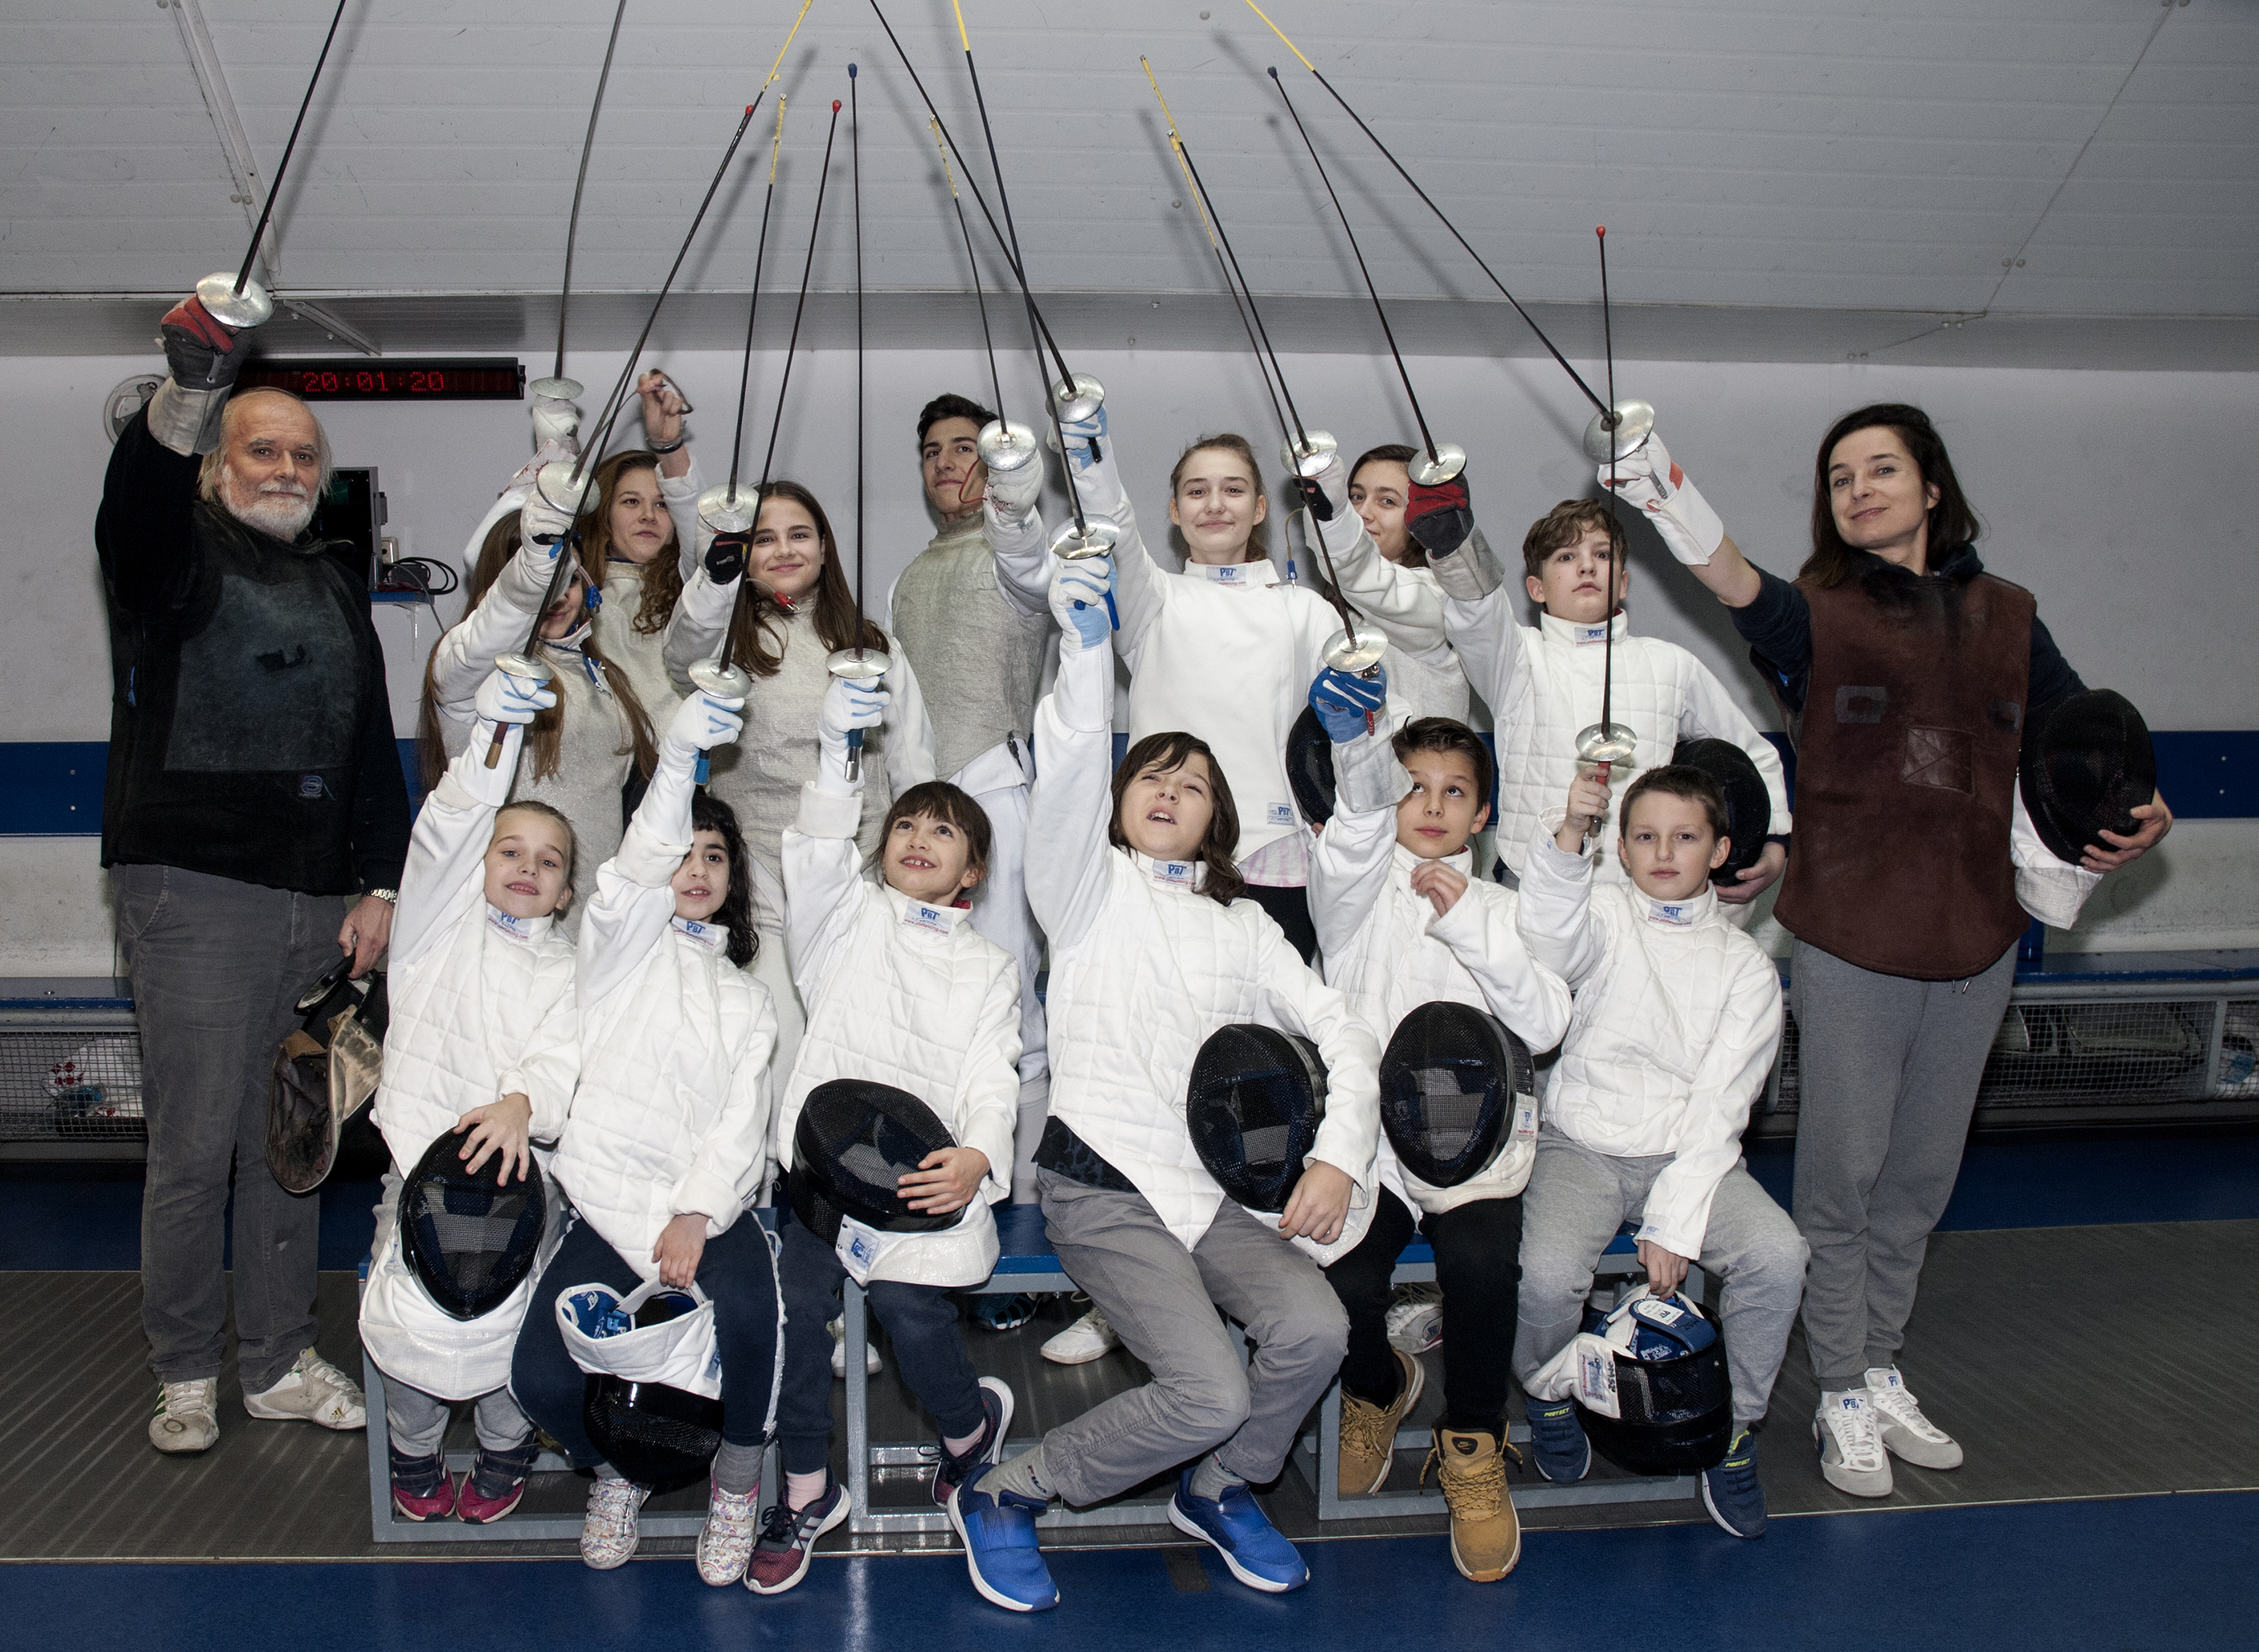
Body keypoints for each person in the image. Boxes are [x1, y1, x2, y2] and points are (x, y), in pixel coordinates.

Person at [1608, 406, 2173, 1494]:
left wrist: (2138, 807)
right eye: (1839, 478)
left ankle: (1877, 1365)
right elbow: (1729, 578)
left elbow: (2079, 739)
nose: (1858, 489)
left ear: (1931, 487)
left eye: (1880, 469)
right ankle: (1839, 1393)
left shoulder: (2011, 617)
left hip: (1977, 941)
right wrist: (1655, 477)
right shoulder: (1816, 616)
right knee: (1842, 1182)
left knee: (1916, 1184)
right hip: (1853, 941)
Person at [947, 555, 1379, 1612]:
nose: (1169, 791)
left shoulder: (1246, 925)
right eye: (1151, 775)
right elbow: (1064, 764)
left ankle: (1221, 1485)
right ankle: (1009, 1490)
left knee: (1315, 1330)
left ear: (1214, 819)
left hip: (1213, 1195)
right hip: (1101, 1185)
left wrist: (1336, 1156)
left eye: (1191, 785)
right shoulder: (1083, 887)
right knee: (1207, 1389)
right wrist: (1087, 648)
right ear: (1119, 799)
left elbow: (1343, 1031)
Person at [96, 288, 406, 1454]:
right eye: (262, 449)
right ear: (216, 464)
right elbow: (131, 512)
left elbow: (368, 747)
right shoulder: (170, 562)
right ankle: (184, 1371)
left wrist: (378, 885)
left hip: (317, 906)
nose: (285, 468)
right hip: (193, 895)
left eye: (303, 456)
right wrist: (192, 387)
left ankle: (276, 1362)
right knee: (191, 1152)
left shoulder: (333, 582)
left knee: (292, 1144)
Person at [508, 685, 786, 1579]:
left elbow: (743, 1122)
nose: (697, 870)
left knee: (752, 1318)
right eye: (683, 853)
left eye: (716, 856)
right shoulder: (617, 950)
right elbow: (631, 880)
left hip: (704, 1214)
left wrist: (697, 1212)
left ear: (733, 879)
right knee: (537, 1376)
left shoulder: (748, 1002)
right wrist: (674, 766)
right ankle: (617, 1472)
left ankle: (735, 1485)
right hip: (606, 1208)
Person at [754, 676, 1024, 1595]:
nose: (919, 838)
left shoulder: (990, 968)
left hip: (921, 1184)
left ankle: (968, 1433)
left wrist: (978, 1156)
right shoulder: (845, 923)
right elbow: (816, 852)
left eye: (944, 831)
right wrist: (838, 748)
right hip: (821, 1179)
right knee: (794, 1313)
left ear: (973, 870)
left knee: (911, 1312)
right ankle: (805, 1487)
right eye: (907, 824)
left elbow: (993, 1072)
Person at [1304, 699, 1571, 1581]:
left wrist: (1467, 926)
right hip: (1371, 1149)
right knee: (1342, 1277)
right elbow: (1347, 850)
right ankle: (1377, 1387)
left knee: (1482, 1270)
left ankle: (1474, 1444)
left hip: (1477, 1153)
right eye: (1412, 787)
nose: (1430, 805)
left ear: (1482, 813)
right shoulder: (1351, 897)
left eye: (1454, 791)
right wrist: (1357, 750)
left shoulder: (1505, 909)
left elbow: (1544, 1024)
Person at [1512, 764, 1805, 1540]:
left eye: (1684, 837)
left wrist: (1673, 1224)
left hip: (1692, 1157)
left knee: (1778, 1256)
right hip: (1582, 1144)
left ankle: (1731, 1429)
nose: (1664, 853)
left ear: (1720, 850)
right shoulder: (1601, 917)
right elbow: (1547, 940)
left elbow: (1721, 1108)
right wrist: (1568, 838)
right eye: (1645, 836)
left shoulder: (1744, 968)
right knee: (1546, 1274)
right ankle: (1547, 1393)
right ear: (1622, 847)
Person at [358, 669, 579, 1525]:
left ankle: (503, 1446)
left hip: (527, 1180)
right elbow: (446, 826)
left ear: (567, 891)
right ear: (478, 865)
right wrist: (495, 733)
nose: (528, 868)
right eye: (510, 851)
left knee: (514, 1317)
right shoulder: (431, 931)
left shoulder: (571, 970)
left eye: (549, 861)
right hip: (419, 1166)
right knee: (412, 1316)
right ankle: (414, 1449)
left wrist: (526, 1103)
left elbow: (562, 1059)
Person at [1357, 477, 1790, 899]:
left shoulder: (1672, 664)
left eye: (1602, 554)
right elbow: (1478, 616)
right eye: (1566, 557)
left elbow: (1750, 753)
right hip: (1530, 884)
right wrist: (1455, 545)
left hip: (1640, 894)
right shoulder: (1518, 656)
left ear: (1623, 582)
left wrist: (1773, 841)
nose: (1586, 566)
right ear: (1536, 588)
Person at [1057, 410, 1379, 963]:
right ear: (1174, 511)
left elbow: (1355, 737)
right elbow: (1116, 528)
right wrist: (1090, 455)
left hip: (1275, 853)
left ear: (1259, 508)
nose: (1214, 504)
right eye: (1196, 491)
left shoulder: (1305, 610)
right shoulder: (1152, 600)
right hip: (1165, 849)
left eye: (1233, 490)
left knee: (1275, 1013)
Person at [665, 480, 938, 1101]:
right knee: (770, 1045)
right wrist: (715, 576)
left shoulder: (872, 645)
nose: (784, 550)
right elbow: (682, 653)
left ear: (823, 546)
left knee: (857, 1043)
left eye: (798, 535)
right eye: (764, 539)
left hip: (858, 874)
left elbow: (912, 763)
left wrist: (917, 868)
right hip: (760, 877)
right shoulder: (725, 646)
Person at [888, 394, 1054, 1254]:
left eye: (966, 448)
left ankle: (1021, 1218)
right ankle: (937, 1208)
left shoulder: (1019, 555)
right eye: (933, 451)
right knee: (922, 1013)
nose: (948, 463)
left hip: (998, 799)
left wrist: (1016, 492)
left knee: (1011, 1009)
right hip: (920, 815)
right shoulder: (908, 576)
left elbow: (1025, 546)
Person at [421, 481, 660, 927]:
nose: (559, 596)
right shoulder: (473, 668)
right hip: (505, 917)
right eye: (542, 583)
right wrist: (528, 578)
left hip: (593, 916)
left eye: (570, 579)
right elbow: (487, 635)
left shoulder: (603, 673)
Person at [1323, 443, 1475, 724]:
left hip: (1424, 753)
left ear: (1420, 517)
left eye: (1387, 501)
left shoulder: (1437, 596)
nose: (1363, 512)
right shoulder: (1331, 607)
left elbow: (1368, 579)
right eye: (1356, 497)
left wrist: (1329, 514)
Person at [585, 372, 709, 716]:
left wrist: (668, 447)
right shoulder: (570, 593)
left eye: (662, 504)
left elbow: (703, 538)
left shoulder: (693, 589)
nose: (648, 516)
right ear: (602, 512)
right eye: (631, 502)